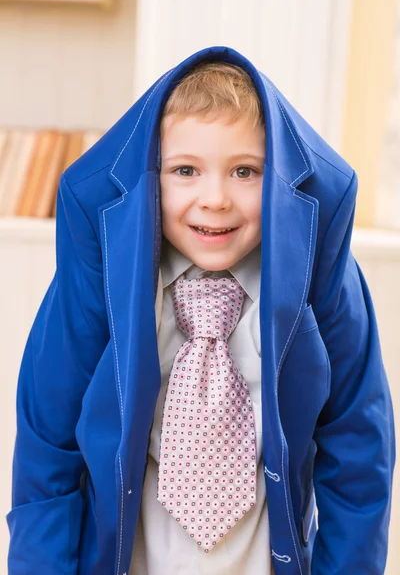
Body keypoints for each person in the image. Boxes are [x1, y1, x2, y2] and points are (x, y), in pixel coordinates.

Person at [6, 46, 395, 575]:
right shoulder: (98, 281)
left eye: (245, 172)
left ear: (282, 179)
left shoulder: (320, 281)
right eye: (185, 170)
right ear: (148, 178)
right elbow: (47, 448)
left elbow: (359, 455)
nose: (214, 199)